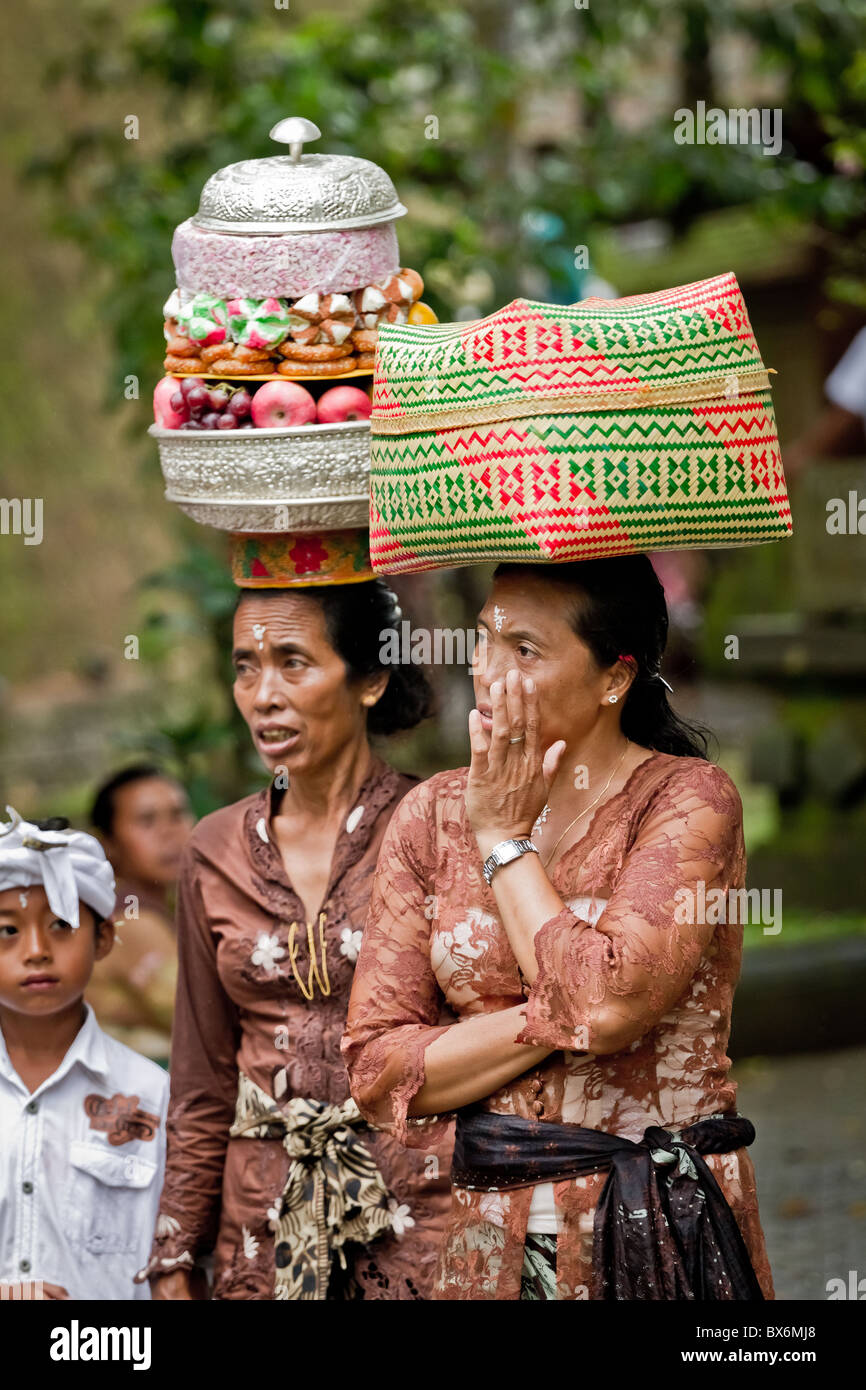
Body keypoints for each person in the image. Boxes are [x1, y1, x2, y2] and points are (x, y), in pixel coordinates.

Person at [343, 555, 775, 1301]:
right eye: (484, 640)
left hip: (659, 1225)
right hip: (487, 1239)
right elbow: (378, 1070)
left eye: (526, 651)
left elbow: (608, 1007)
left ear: (614, 678)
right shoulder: (431, 816)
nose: (488, 673)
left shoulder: (686, 802)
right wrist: (552, 1014)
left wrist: (503, 840)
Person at [141, 577, 453, 1301]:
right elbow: (202, 1078)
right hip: (262, 1225)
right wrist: (175, 1253)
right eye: (245, 665)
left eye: (293, 661)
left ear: (370, 679)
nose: (263, 693)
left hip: (423, 1212)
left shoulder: (437, 825)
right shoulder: (211, 849)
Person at [0, 809, 168, 1300]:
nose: (35, 950)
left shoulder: (152, 1091)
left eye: (60, 925)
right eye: (7, 930)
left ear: (104, 939)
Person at [87, 765, 194, 1062]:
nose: (169, 832)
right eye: (146, 820)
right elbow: (203, 1021)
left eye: (177, 814)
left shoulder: (150, 905)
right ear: (107, 843)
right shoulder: (130, 919)